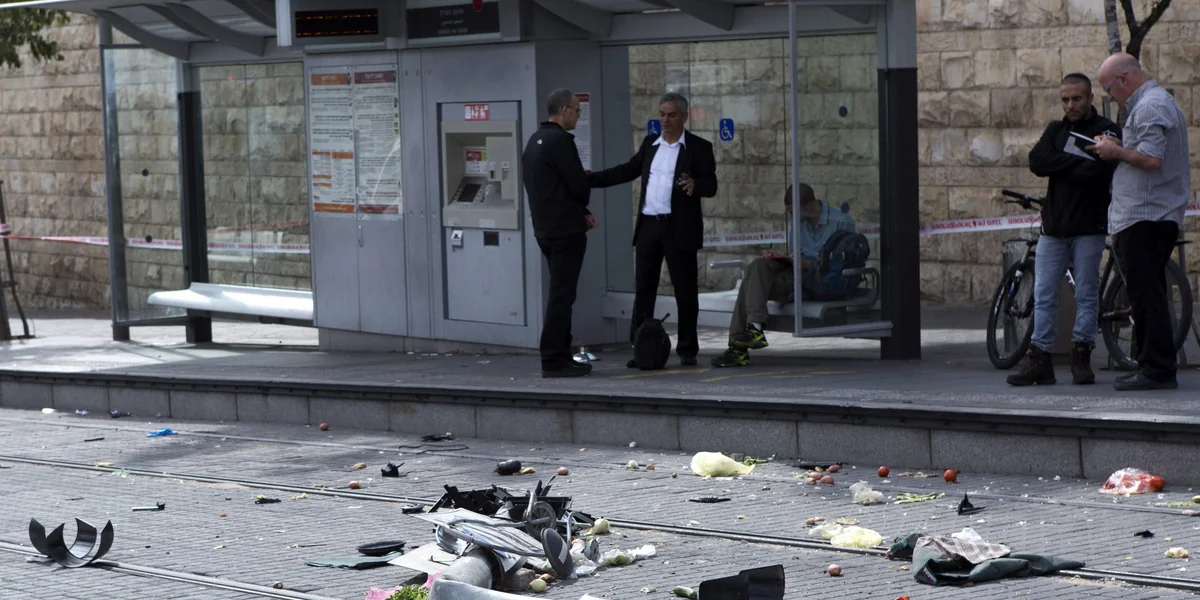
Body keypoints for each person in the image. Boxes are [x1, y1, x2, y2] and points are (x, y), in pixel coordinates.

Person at [587, 92, 717, 367]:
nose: (665, 120)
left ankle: (687, 349)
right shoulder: (650, 144)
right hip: (649, 225)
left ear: (684, 117)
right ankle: (641, 349)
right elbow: (627, 170)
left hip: (679, 227)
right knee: (644, 289)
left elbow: (712, 185)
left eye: (671, 115)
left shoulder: (698, 147)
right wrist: (592, 179)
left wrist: (696, 184)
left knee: (685, 290)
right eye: (661, 115)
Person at [1007, 73, 1120, 387]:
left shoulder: (1106, 131)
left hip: (1089, 227)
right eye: (1065, 100)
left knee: (1086, 294)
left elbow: (1100, 171)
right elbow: (1037, 161)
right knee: (1043, 294)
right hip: (1053, 228)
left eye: (1076, 99)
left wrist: (1059, 163)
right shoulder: (1055, 130)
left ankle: (1081, 356)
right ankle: (1040, 359)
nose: (1070, 105)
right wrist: (1075, 161)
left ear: (1090, 98)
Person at [1090, 54, 1191, 391]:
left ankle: (1156, 369)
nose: (1109, 96)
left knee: (1146, 294)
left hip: (1146, 216)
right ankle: (1153, 365)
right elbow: (1146, 150)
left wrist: (1115, 152)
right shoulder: (1153, 103)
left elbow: (1151, 159)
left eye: (1108, 88)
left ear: (1123, 78)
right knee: (1147, 292)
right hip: (1146, 215)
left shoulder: (1149, 106)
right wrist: (1120, 146)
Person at [711, 183, 856, 368]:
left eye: (794, 212)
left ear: (809, 206)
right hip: (796, 273)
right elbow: (796, 254)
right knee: (758, 266)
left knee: (750, 283)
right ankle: (754, 329)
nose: (792, 217)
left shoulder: (841, 221)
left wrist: (808, 263)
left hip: (820, 280)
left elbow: (845, 263)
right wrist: (782, 258)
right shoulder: (800, 222)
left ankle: (740, 346)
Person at [522, 89, 598, 378]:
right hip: (567, 230)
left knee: (559, 292)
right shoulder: (561, 142)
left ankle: (561, 355)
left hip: (545, 228)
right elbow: (577, 186)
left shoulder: (534, 141)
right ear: (564, 110)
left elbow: (549, 188)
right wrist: (582, 208)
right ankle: (554, 358)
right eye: (577, 110)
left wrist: (580, 211)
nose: (579, 115)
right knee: (562, 296)